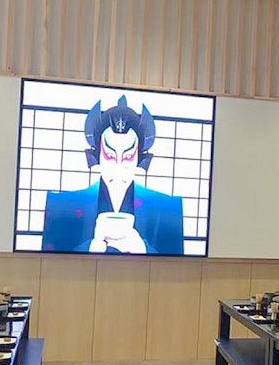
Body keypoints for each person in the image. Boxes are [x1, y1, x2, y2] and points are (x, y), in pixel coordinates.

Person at [41, 96, 184, 255]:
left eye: (128, 156)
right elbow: (48, 266)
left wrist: (142, 249)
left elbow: (182, 272)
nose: (118, 166)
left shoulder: (166, 208)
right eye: (110, 155)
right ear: (96, 155)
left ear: (139, 159)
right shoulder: (62, 207)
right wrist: (90, 249)